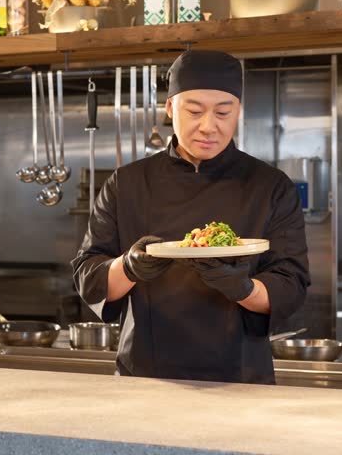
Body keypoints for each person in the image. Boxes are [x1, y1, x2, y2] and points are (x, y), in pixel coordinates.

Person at [71, 50, 310, 384]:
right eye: (194, 111)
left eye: (223, 112)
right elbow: (87, 275)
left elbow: (292, 285)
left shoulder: (271, 187)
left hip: (240, 379)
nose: (208, 126)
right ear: (170, 108)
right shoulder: (127, 183)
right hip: (145, 377)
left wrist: (242, 289)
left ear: (238, 111)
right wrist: (128, 266)